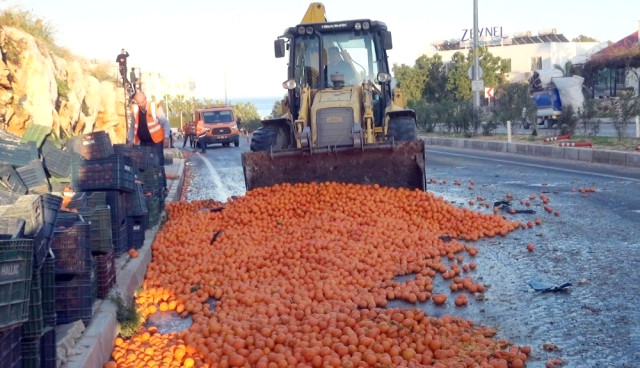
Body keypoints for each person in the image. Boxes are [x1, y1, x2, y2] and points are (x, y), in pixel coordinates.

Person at [127, 91, 170, 190]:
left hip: (156, 141)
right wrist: (130, 139)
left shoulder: (155, 108)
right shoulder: (134, 110)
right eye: (138, 103)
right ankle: (149, 187)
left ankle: (163, 187)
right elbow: (132, 126)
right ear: (136, 102)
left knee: (158, 164)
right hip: (143, 142)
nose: (141, 104)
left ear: (145, 99)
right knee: (145, 165)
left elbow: (165, 123)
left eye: (142, 102)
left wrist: (166, 137)